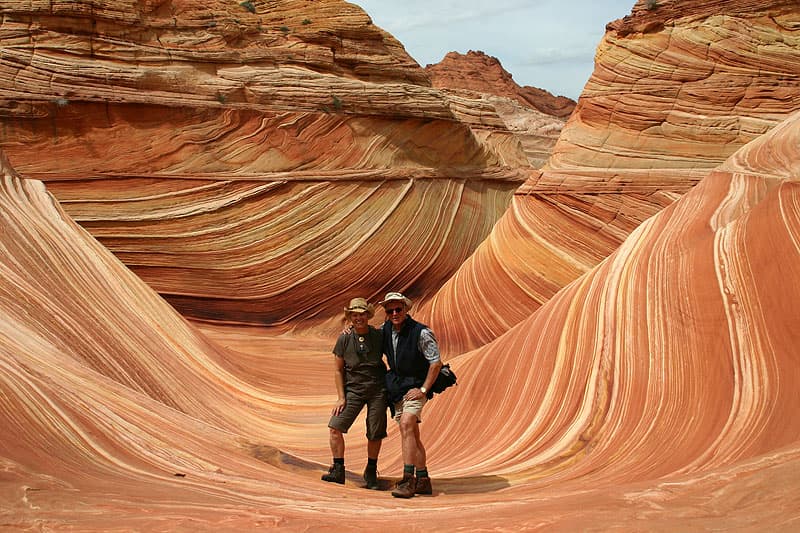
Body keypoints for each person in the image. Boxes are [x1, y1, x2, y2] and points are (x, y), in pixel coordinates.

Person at [379, 292, 443, 499]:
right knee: (412, 434)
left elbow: (435, 363)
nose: (395, 313)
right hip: (398, 386)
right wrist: (351, 330)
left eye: (398, 309)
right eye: (390, 311)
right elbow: (368, 340)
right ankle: (423, 480)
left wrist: (423, 389)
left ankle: (408, 480)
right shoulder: (384, 331)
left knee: (407, 423)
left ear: (406, 309)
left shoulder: (421, 332)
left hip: (416, 387)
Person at [322, 297, 387, 490]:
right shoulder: (344, 338)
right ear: (350, 317)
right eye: (355, 315)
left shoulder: (378, 335)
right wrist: (341, 397)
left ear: (368, 315)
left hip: (377, 389)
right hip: (354, 390)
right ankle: (338, 469)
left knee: (375, 432)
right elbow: (338, 370)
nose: (358, 318)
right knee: (335, 427)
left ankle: (371, 470)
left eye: (362, 314)